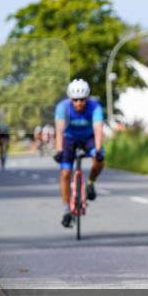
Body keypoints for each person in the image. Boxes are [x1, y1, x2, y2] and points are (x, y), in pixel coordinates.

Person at [54, 79, 106, 228]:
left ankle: (91, 183)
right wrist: (58, 150)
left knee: (99, 160)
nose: (79, 103)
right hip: (69, 139)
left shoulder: (95, 107)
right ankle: (66, 210)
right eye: (75, 100)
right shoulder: (63, 107)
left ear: (87, 98)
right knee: (65, 174)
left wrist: (97, 150)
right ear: (70, 99)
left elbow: (97, 129)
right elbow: (59, 130)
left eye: (82, 100)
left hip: (88, 138)